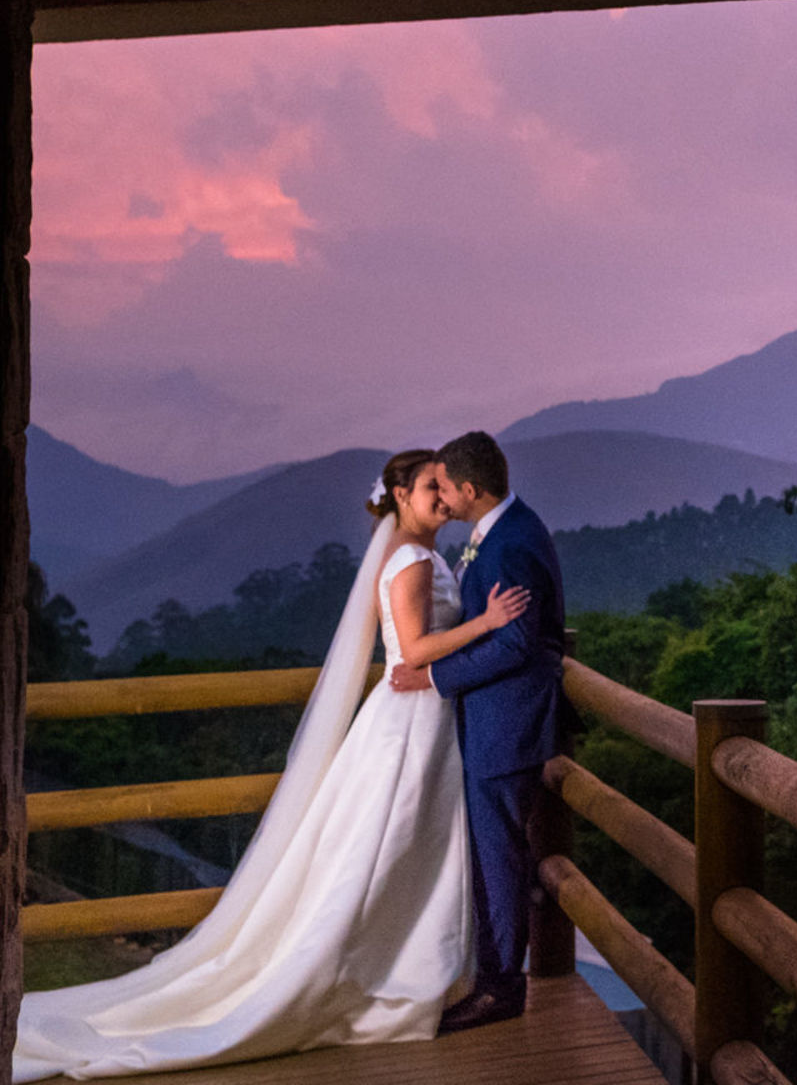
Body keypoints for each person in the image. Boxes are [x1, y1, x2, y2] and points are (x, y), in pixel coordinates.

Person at [13, 450, 532, 1079]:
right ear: (399, 495)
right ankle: (379, 973)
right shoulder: (411, 560)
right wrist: (487, 621)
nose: (443, 498)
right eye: (430, 488)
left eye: (445, 488)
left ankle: (408, 964)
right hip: (411, 724)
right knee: (388, 843)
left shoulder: (413, 553)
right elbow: (416, 650)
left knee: (402, 847)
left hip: (419, 716)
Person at [389, 430, 569, 1034]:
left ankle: (500, 989)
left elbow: (517, 642)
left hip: (506, 722)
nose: (440, 494)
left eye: (443, 485)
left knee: (500, 859)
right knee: (494, 854)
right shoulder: (498, 533)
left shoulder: (511, 543)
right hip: (494, 717)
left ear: (469, 488)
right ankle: (488, 976)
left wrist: (437, 676)